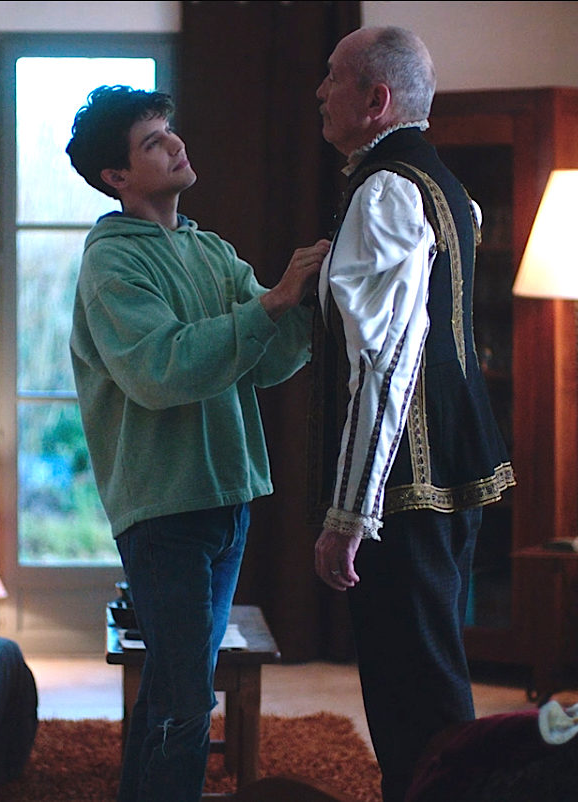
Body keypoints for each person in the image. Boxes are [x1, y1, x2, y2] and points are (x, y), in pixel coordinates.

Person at [66, 84, 328, 802]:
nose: (176, 145)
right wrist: (272, 302)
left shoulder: (210, 250)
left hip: (227, 497)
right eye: (153, 142)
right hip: (163, 510)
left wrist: (306, 304)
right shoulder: (111, 265)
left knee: (175, 690)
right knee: (185, 703)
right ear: (116, 176)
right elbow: (162, 370)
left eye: (169, 132)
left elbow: (266, 361)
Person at [308, 27, 516, 802]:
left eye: (333, 77)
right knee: (427, 673)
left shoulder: (386, 191)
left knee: (414, 693)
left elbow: (386, 363)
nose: (319, 92)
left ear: (376, 99)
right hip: (453, 465)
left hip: (405, 481)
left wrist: (349, 513)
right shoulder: (446, 187)